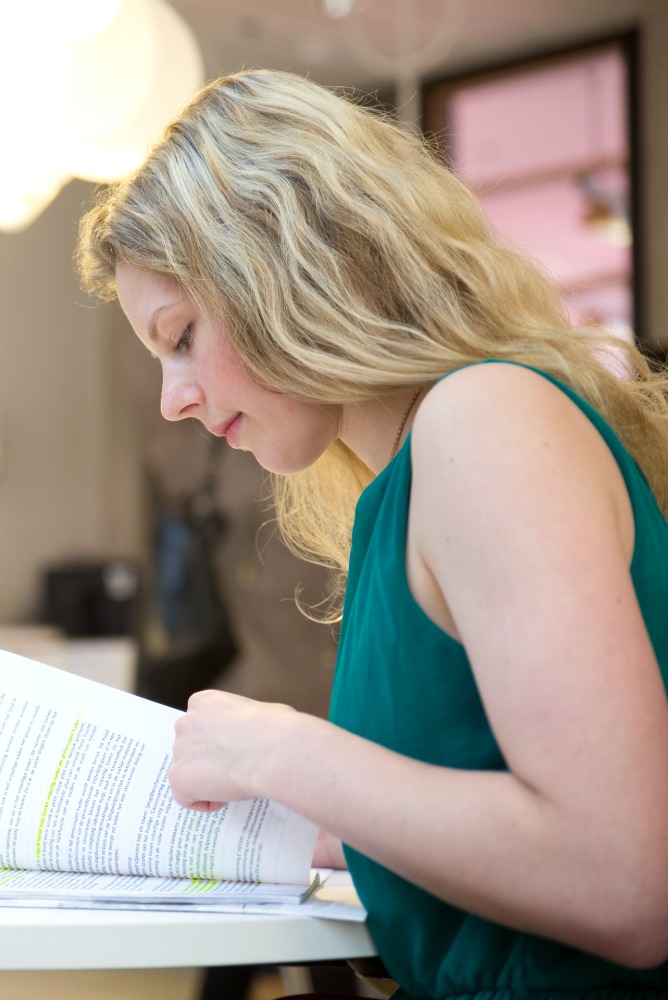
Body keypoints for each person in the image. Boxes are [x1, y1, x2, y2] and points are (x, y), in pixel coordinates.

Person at [76, 70, 668, 997]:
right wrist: (324, 820)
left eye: (182, 335)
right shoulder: (416, 470)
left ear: (277, 266)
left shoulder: (484, 421)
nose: (175, 398)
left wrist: (285, 753)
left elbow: (626, 880)